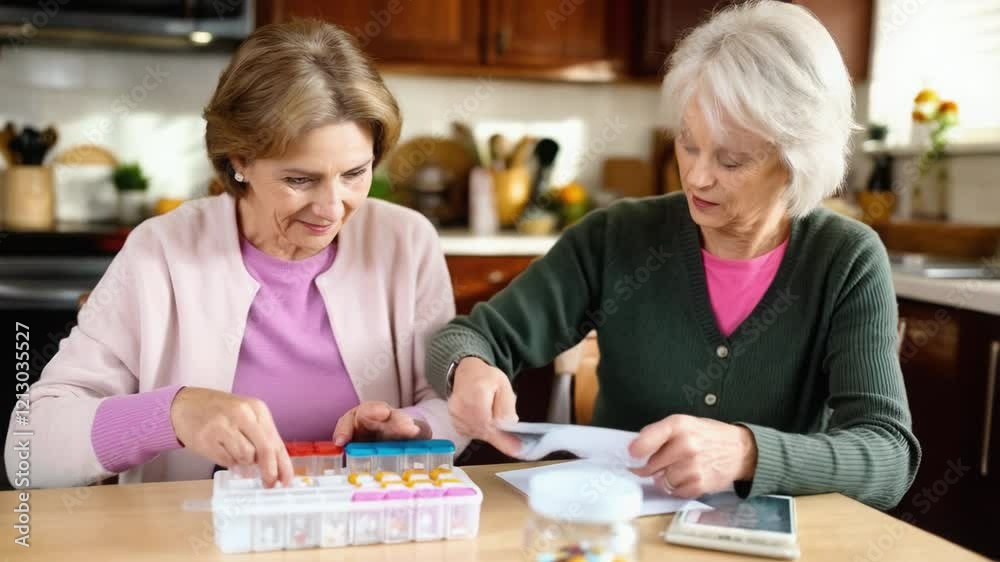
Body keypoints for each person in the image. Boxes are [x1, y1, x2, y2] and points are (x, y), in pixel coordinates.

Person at [426, 1, 919, 510]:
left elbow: (887, 457)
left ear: (797, 161)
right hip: (617, 533)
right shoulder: (617, 236)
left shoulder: (845, 259)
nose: (698, 177)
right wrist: (469, 367)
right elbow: (467, 336)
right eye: (687, 144)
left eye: (731, 159)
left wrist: (748, 452)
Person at [5, 20, 463, 489]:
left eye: (354, 173)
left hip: (366, 535)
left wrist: (413, 430)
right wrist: (173, 413)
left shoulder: (406, 242)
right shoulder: (161, 252)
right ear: (239, 160)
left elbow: (448, 404)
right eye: (299, 179)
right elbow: (29, 448)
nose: (331, 208)